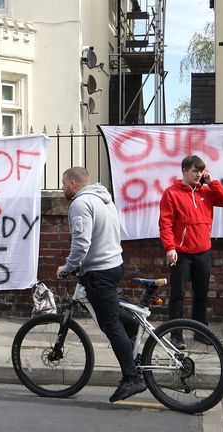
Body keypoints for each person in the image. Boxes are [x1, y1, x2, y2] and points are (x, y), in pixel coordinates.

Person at [55, 167, 146, 403]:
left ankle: (131, 378)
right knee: (114, 315)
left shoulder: (80, 204)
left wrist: (68, 267)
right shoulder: (105, 200)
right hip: (114, 265)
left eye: (63, 183)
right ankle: (131, 327)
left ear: (73, 183)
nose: (62, 187)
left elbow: (81, 242)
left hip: (99, 272)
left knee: (110, 325)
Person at [158, 155, 223, 348]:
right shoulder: (171, 193)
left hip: (203, 251)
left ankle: (200, 332)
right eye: (195, 171)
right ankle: (176, 335)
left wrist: (212, 182)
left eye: (201, 171)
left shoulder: (207, 191)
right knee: (178, 295)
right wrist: (170, 247)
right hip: (181, 253)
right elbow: (165, 223)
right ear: (184, 171)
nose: (198, 174)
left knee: (201, 294)